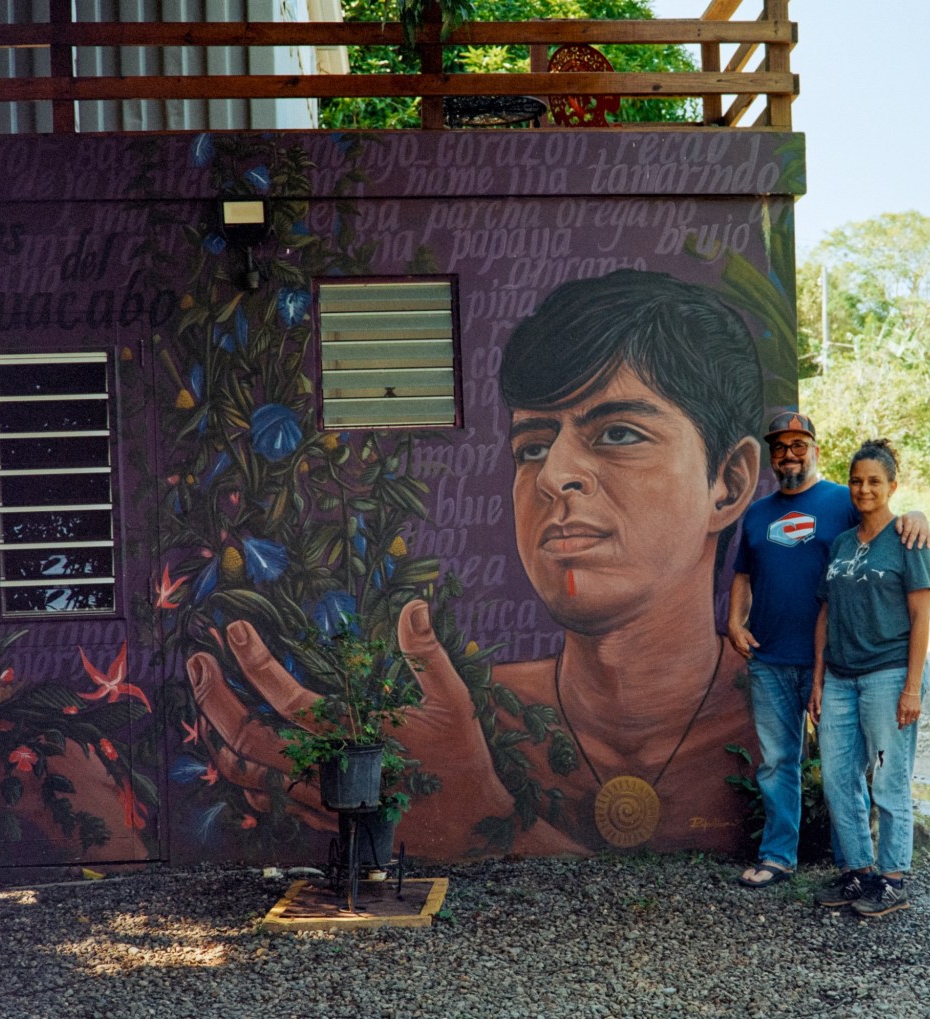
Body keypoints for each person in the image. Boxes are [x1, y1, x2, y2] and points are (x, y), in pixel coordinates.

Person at [188, 269, 765, 859]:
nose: (553, 474)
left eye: (619, 433)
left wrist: (485, 823)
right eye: (533, 447)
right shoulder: (456, 729)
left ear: (728, 481)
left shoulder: (783, 723)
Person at [730, 415, 930, 889]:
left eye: (799, 445)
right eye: (780, 448)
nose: (789, 455)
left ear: (815, 449)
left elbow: (886, 519)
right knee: (778, 761)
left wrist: (916, 515)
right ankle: (779, 856)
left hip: (838, 665)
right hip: (771, 658)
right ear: (771, 457)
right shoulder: (757, 514)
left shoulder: (844, 499)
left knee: (851, 765)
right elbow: (742, 573)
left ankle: (853, 865)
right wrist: (734, 621)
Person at [808, 439, 930, 917]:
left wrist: (911, 687)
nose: (864, 489)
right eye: (856, 481)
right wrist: (819, 681)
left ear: (892, 486)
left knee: (888, 780)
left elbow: (921, 617)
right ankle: (858, 872)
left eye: (874, 481)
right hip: (839, 678)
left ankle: (893, 879)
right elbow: (825, 615)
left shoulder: (909, 541)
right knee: (839, 779)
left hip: (888, 674)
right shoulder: (841, 544)